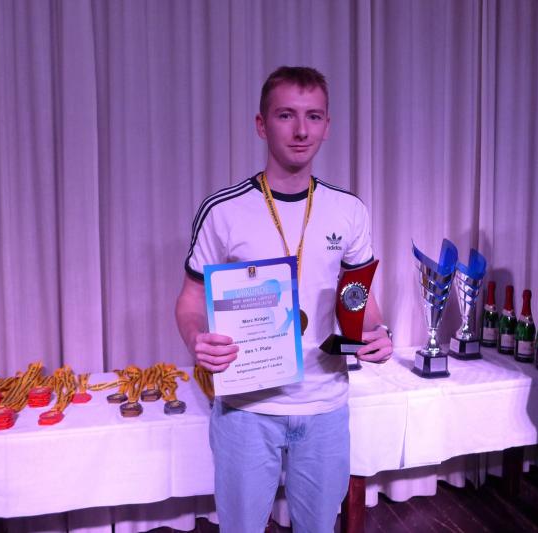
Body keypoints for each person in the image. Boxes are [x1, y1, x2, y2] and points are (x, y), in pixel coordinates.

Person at [175, 66, 393, 532]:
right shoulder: (223, 210)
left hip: (325, 405)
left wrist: (377, 332)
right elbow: (190, 301)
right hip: (247, 409)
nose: (301, 131)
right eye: (286, 115)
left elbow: (359, 297)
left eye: (313, 116)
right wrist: (197, 339)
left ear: (327, 126)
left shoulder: (349, 210)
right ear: (261, 124)